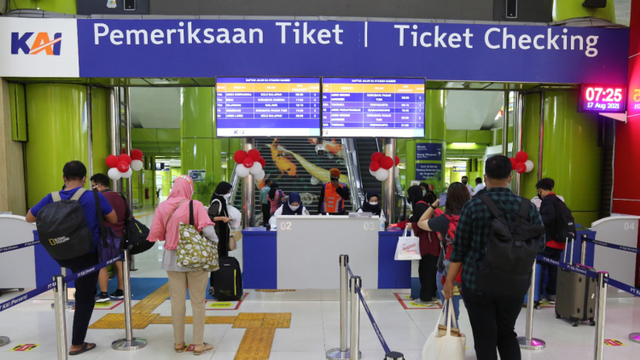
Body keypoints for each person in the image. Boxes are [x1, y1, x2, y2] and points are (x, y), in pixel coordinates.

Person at [444, 155, 544, 360]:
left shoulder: (473, 206)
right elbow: (540, 245)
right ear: (510, 177)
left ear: (485, 176)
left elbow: (459, 248)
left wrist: (449, 280)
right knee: (507, 333)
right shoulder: (528, 207)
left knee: (484, 337)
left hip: (478, 283)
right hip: (516, 282)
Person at [26, 160, 117, 356]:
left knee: (77, 286)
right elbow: (113, 219)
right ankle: (77, 344)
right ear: (85, 179)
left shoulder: (51, 197)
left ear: (63, 178)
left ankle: (75, 333)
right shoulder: (94, 196)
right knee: (85, 297)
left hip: (60, 253)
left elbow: (29, 217)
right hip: (86, 255)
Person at [147, 175, 217, 355]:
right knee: (198, 302)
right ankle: (199, 344)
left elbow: (157, 233)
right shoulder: (196, 205)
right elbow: (208, 230)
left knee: (177, 302)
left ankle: (178, 343)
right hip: (195, 260)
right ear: (189, 188)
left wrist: (172, 236)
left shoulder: (163, 207)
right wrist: (215, 242)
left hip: (172, 259)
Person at [416, 182, 470, 323]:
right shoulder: (473, 217)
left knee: (450, 312)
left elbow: (421, 222)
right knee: (477, 313)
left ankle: (453, 342)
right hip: (471, 270)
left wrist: (434, 205)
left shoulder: (444, 220)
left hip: (446, 271)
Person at [90, 173, 131, 302]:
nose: (92, 189)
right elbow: (127, 214)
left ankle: (103, 293)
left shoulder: (99, 197)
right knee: (120, 264)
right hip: (122, 234)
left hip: (106, 236)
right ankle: (122, 290)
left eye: (93, 186)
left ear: (99, 185)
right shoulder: (120, 196)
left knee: (102, 264)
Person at [403, 185, 440, 303]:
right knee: (430, 270)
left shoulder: (419, 206)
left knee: (426, 271)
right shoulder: (423, 204)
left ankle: (425, 298)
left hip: (428, 243)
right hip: (432, 243)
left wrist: (412, 226)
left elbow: (422, 223)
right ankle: (432, 294)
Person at [535, 178, 565, 302]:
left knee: (540, 266)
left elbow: (548, 217)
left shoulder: (547, 201)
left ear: (540, 190)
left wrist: (537, 223)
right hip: (560, 241)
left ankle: (538, 294)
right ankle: (552, 294)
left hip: (548, 240)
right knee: (554, 268)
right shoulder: (559, 201)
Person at [208, 182, 233, 295]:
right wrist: (223, 218)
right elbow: (210, 217)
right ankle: (213, 285)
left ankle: (220, 283)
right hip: (218, 237)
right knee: (217, 261)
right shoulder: (217, 201)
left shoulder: (221, 200)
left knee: (221, 260)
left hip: (222, 235)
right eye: (228, 191)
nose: (229, 193)